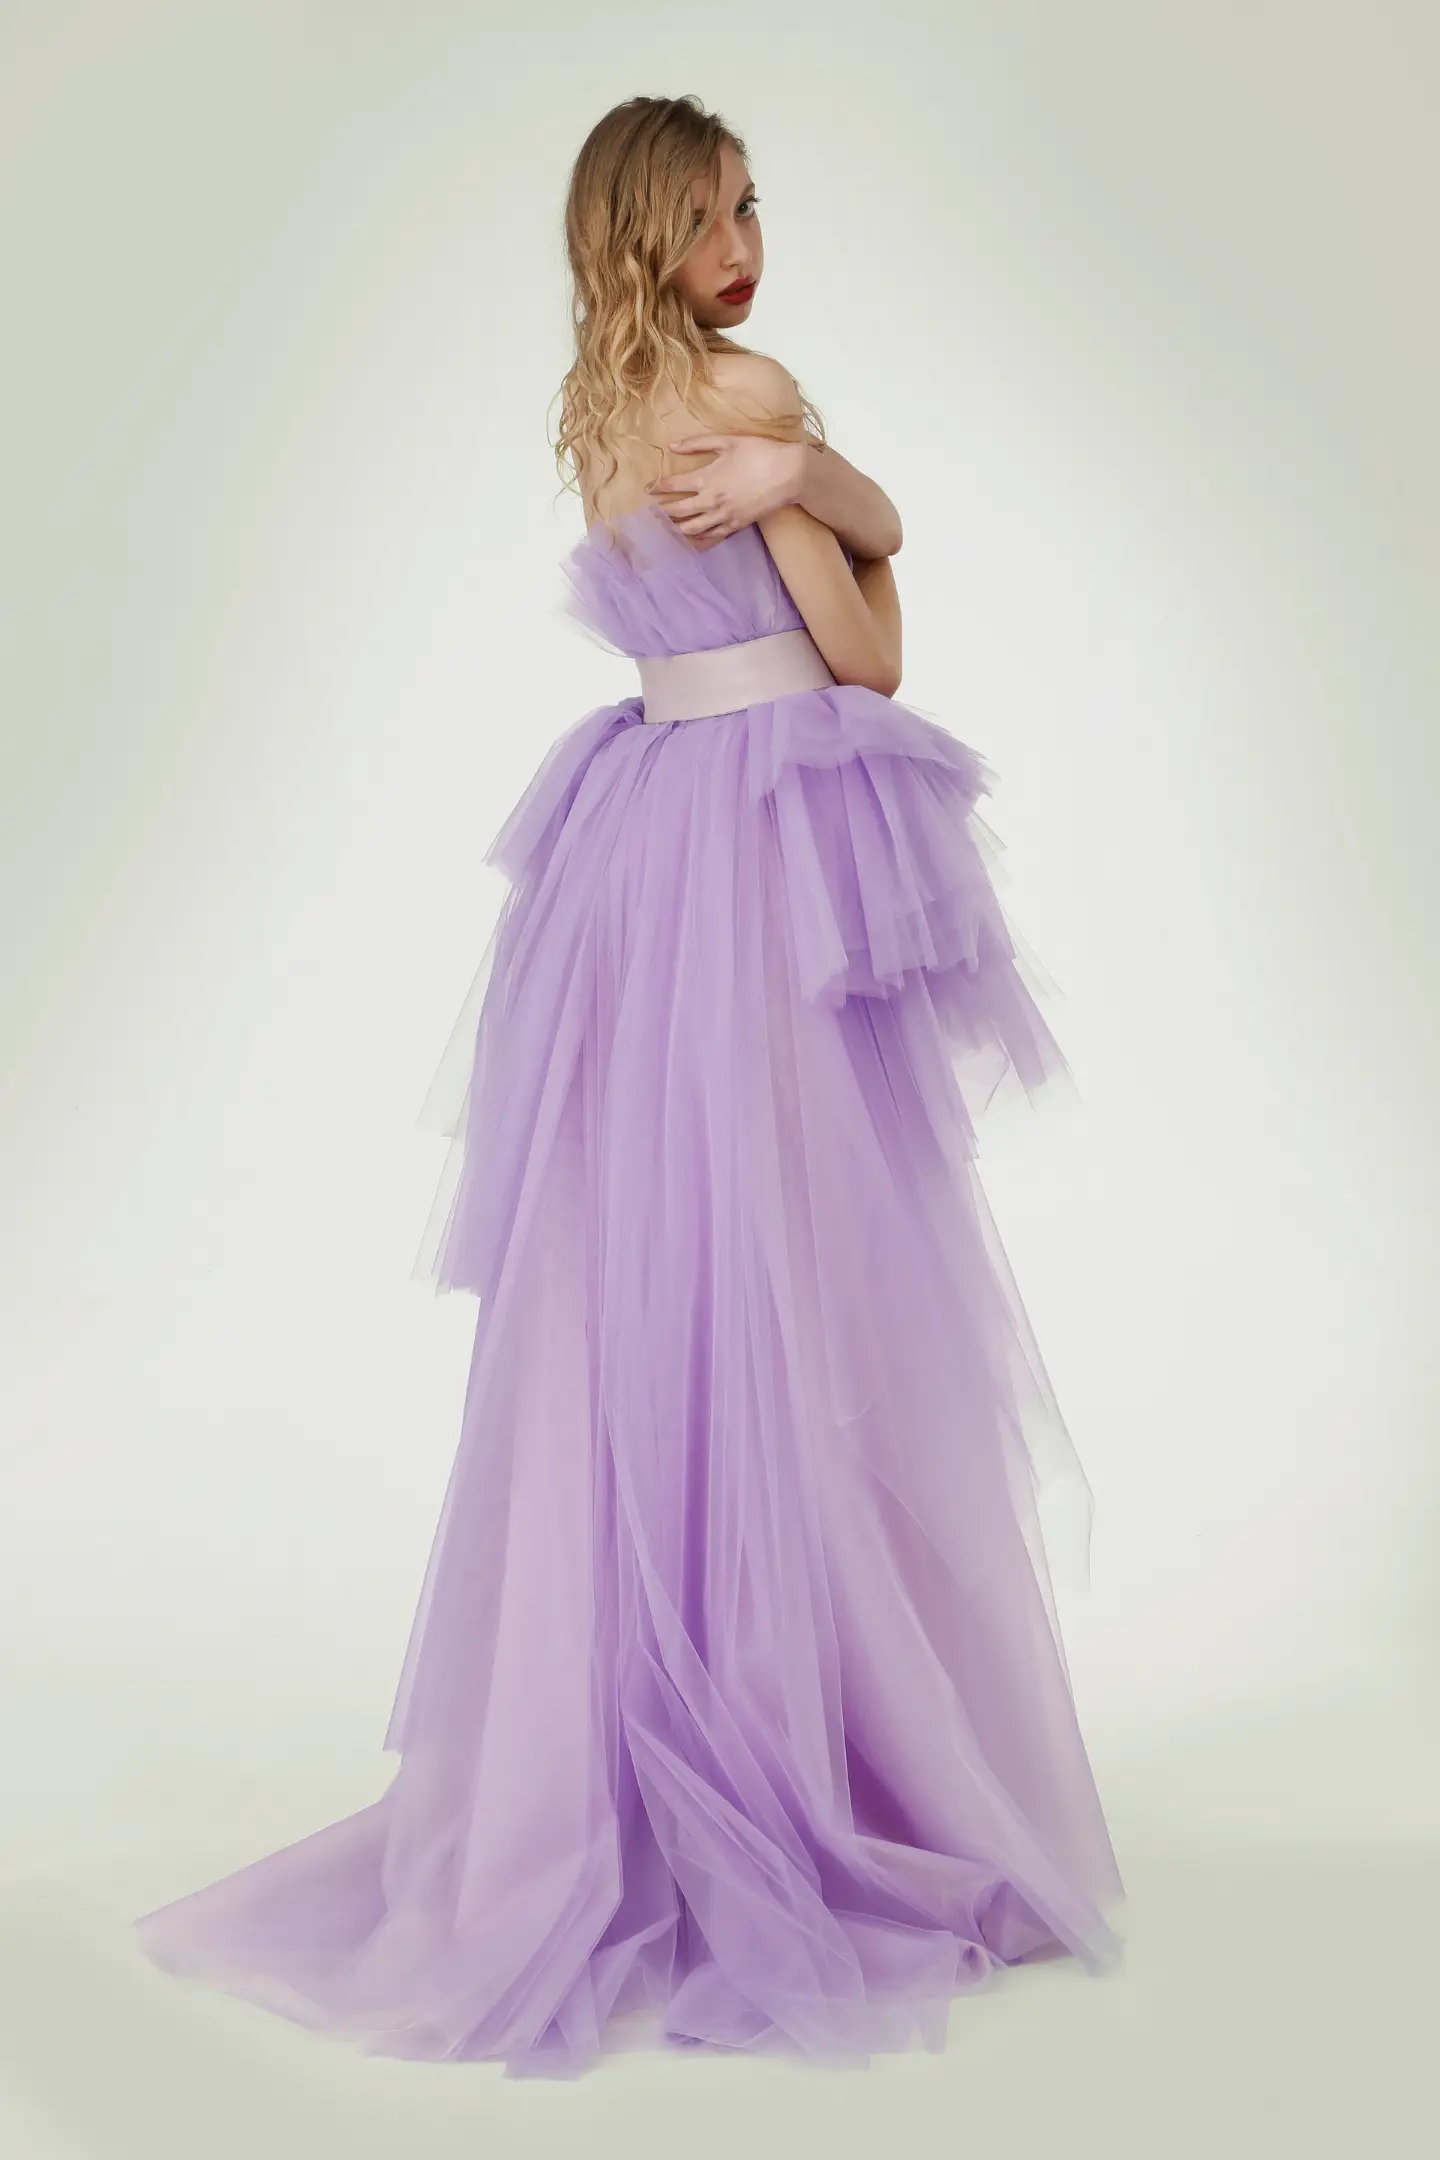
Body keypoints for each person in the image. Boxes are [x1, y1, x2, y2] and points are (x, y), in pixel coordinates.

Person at [133, 93, 1125, 2080]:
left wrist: (825, 491)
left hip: (655, 843)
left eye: (753, 205)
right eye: (707, 217)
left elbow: (826, 583)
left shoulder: (599, 415)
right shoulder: (744, 396)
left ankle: (659, 1740)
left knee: (650, 1285)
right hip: (763, 857)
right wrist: (824, 480)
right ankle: (808, 1754)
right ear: (640, 235)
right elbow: (865, 654)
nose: (744, 244)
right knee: (808, 1284)